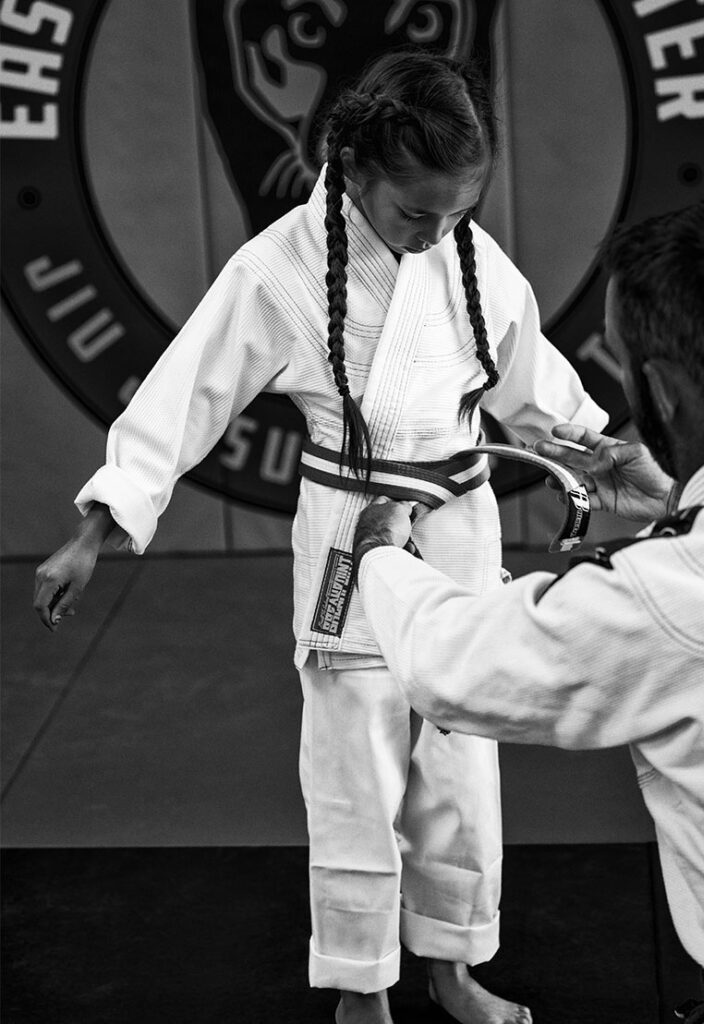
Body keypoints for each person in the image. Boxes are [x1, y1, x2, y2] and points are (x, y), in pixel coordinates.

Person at [33, 50, 608, 1024]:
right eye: (412, 214)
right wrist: (98, 524)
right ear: (355, 173)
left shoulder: (466, 255)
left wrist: (602, 456)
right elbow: (188, 391)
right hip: (351, 530)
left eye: (452, 214)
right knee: (355, 761)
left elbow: (535, 389)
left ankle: (453, 965)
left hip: (459, 530)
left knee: (463, 757)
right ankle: (359, 983)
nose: (431, 236)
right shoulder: (277, 270)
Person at [352, 197, 704, 1024]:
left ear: (660, 395)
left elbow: (450, 667)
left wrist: (381, 548)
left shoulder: (667, 593)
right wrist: (675, 499)